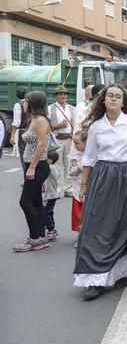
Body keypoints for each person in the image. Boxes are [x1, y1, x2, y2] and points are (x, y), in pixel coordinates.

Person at [73, 85, 127, 300]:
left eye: (118, 97)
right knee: (96, 226)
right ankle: (94, 279)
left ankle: (121, 273)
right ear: (104, 100)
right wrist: (83, 186)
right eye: (111, 96)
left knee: (125, 225)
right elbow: (89, 158)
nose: (114, 99)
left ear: (124, 102)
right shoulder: (97, 126)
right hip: (103, 176)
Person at [13, 91, 52, 252]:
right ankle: (40, 237)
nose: (23, 103)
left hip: (38, 166)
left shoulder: (40, 121)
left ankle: (35, 238)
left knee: (25, 202)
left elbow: (41, 145)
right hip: (33, 165)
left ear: (33, 104)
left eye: (26, 101)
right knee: (35, 202)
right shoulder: (33, 119)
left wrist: (32, 167)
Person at [48, 85, 76, 196]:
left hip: (69, 139)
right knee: (57, 164)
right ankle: (58, 189)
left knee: (69, 164)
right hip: (57, 139)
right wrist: (58, 125)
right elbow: (47, 126)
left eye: (64, 94)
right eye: (60, 94)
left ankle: (67, 188)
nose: (63, 96)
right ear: (56, 96)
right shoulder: (50, 108)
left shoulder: (71, 108)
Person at [69, 130, 87, 236]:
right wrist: (78, 169)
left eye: (77, 143)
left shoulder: (93, 155)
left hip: (90, 188)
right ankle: (80, 236)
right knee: (78, 214)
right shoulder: (75, 156)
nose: (75, 146)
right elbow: (70, 172)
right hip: (77, 188)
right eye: (74, 143)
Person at [43, 151, 61, 241]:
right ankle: (52, 229)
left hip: (51, 194)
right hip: (51, 194)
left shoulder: (51, 167)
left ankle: (51, 229)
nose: (46, 160)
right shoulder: (54, 167)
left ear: (52, 160)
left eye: (48, 159)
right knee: (49, 212)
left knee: (45, 213)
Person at [10, 87, 28, 168]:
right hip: (34, 131)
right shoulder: (32, 103)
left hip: (23, 132)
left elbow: (16, 122)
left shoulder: (18, 105)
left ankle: (27, 176)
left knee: (24, 155)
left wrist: (12, 136)